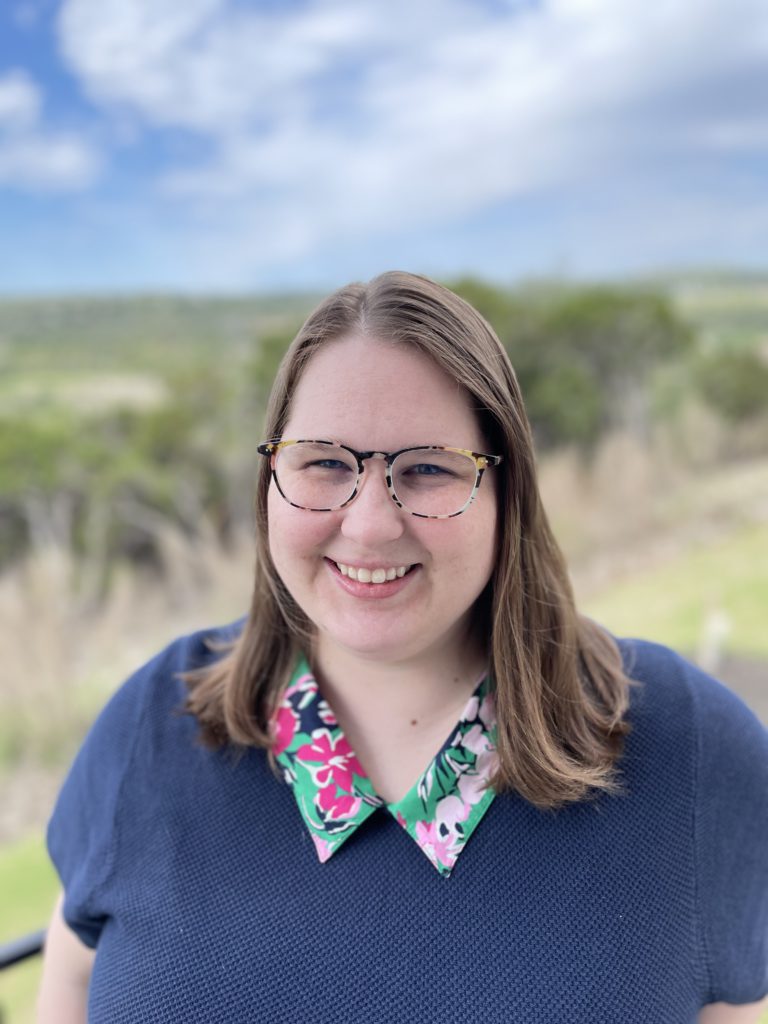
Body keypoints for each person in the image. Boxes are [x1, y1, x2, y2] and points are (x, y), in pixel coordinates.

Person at [38, 272, 767, 1023]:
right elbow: (69, 980)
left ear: (507, 494)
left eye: (427, 469)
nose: (369, 525)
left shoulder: (692, 753)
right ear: (270, 480)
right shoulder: (154, 723)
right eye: (324, 462)